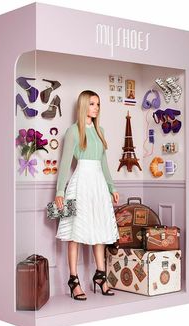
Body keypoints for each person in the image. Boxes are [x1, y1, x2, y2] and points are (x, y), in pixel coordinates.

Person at [54, 90, 119, 301]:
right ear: (83, 105)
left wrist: (112, 187)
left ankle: (100, 275)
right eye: (92, 104)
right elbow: (65, 164)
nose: (96, 108)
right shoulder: (73, 131)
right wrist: (59, 191)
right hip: (80, 183)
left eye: (98, 104)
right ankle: (74, 280)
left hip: (98, 184)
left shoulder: (100, 130)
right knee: (76, 233)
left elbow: (104, 163)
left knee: (99, 230)